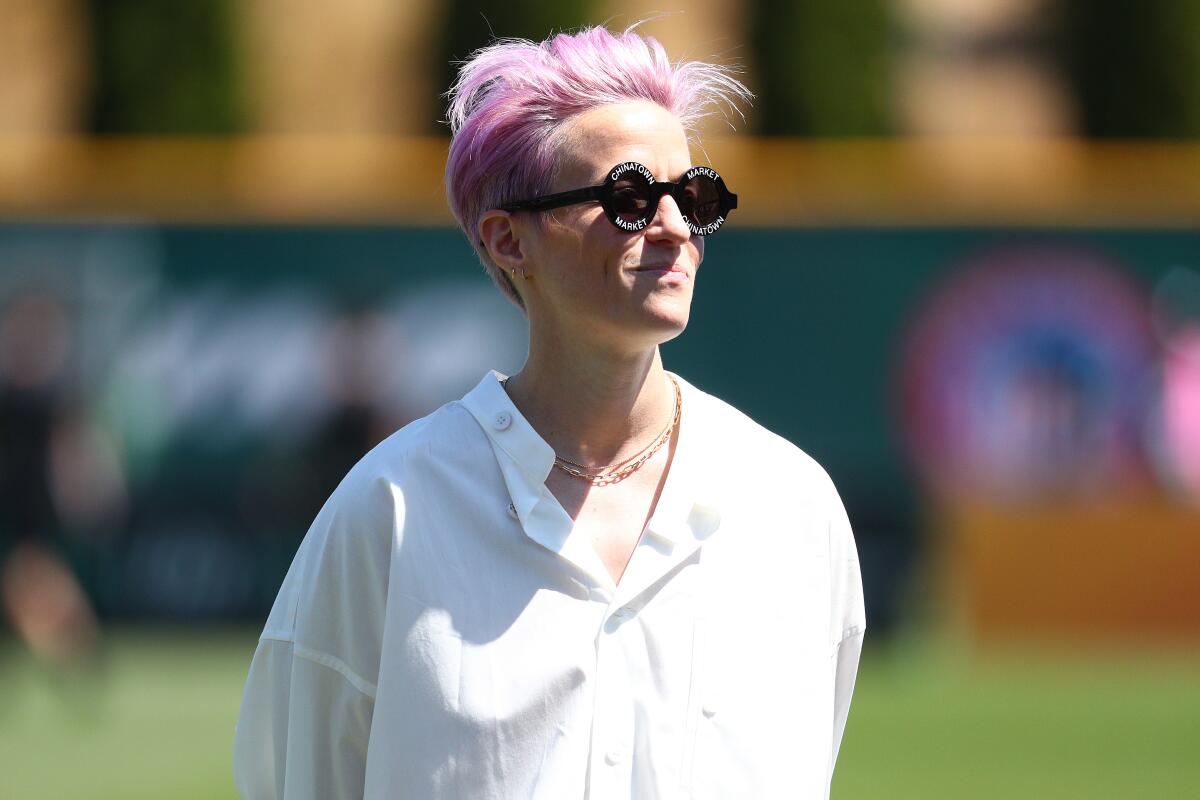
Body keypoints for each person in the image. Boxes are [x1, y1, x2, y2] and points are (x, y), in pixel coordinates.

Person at [234, 24, 865, 799]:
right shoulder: (391, 508)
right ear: (508, 242)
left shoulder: (791, 505)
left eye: (694, 196)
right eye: (629, 196)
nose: (673, 226)